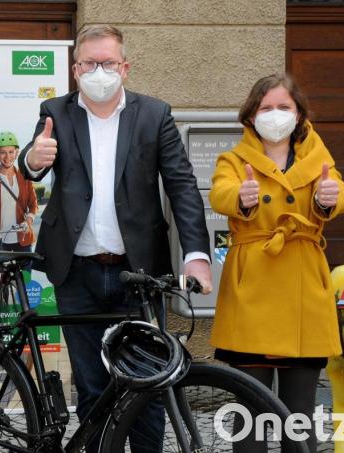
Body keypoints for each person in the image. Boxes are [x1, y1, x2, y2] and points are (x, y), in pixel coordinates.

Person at [17, 25, 212, 453]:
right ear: (75, 69)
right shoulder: (56, 110)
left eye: (108, 62)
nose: (99, 71)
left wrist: (196, 254)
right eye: (90, 63)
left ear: (125, 67)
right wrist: (33, 160)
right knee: (91, 388)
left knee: (149, 384)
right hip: (76, 272)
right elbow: (32, 161)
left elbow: (181, 185)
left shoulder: (154, 113)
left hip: (137, 274)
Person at [208, 72, 344, 453]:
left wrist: (328, 198)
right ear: (251, 115)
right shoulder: (235, 159)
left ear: (300, 114)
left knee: (299, 412)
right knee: (250, 410)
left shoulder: (319, 158)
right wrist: (243, 195)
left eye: (283, 107)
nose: (275, 115)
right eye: (266, 107)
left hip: (303, 286)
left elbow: (340, 195)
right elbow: (219, 192)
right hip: (252, 283)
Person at [0, 131, 39, 252]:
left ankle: (25, 272)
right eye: (3, 152)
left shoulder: (25, 177)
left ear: (17, 153)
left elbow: (33, 205)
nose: (7, 157)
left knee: (26, 271)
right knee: (3, 271)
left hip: (23, 238)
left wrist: (28, 221)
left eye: (11, 152)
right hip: (0, 240)